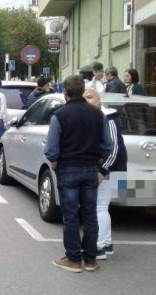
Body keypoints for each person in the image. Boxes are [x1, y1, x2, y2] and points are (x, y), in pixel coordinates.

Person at [44, 75, 111, 273]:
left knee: (71, 216)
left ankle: (73, 259)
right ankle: (90, 259)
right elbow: (108, 145)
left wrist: (55, 163)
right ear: (82, 91)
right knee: (90, 215)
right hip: (90, 170)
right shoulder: (98, 115)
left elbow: (51, 149)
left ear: (65, 93)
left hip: (68, 170)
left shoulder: (59, 115)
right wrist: (97, 161)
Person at [83, 87, 128, 260]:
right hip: (108, 168)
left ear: (99, 100)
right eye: (84, 98)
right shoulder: (96, 117)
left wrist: (102, 170)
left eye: (90, 97)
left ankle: (99, 246)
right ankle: (107, 244)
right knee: (102, 207)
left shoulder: (108, 117)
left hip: (110, 170)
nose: (87, 101)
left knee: (99, 207)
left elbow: (114, 148)